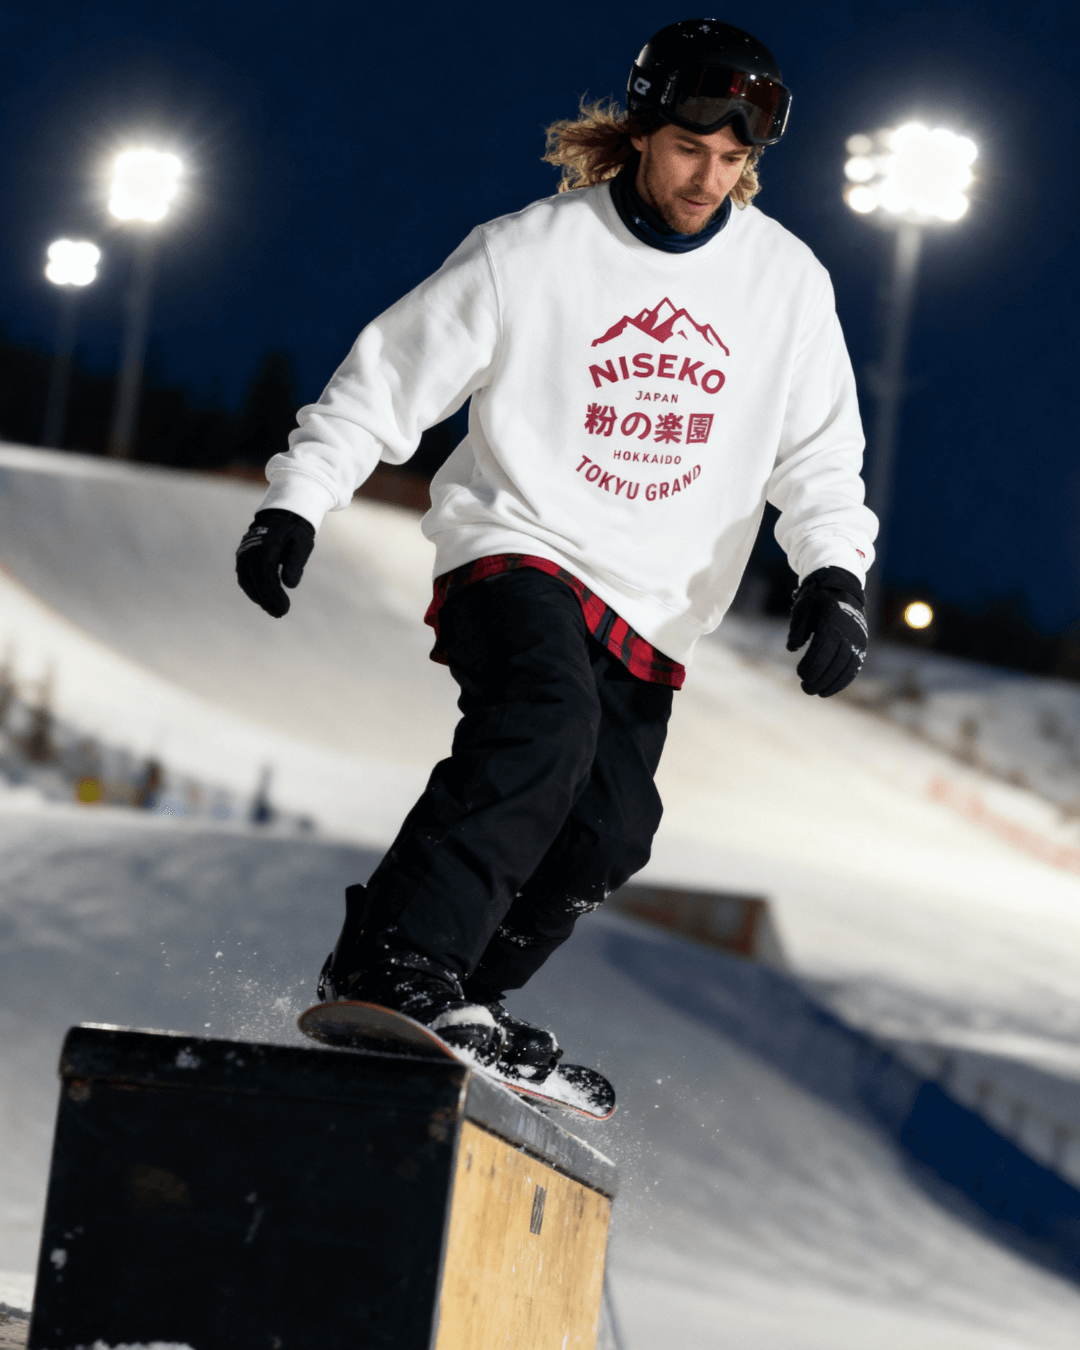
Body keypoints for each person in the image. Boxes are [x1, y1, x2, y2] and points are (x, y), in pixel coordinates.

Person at [236, 18, 877, 1087]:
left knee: (611, 831)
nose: (706, 177)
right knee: (543, 724)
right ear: (640, 132)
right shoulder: (531, 251)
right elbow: (387, 381)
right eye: (688, 149)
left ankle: (467, 994)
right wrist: (297, 503)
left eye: (732, 159)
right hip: (515, 547)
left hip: (655, 601)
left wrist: (834, 573)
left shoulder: (786, 284)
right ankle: (399, 960)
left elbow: (820, 453)